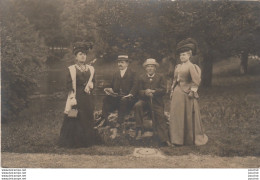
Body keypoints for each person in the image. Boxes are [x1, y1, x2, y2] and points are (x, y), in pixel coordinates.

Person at [59, 42, 101, 148]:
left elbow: (94, 81)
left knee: (87, 116)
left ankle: (86, 141)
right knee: (73, 116)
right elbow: (68, 85)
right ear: (76, 57)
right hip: (76, 97)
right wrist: (72, 97)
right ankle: (71, 142)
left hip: (87, 97)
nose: (83, 56)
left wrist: (91, 84)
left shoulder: (90, 69)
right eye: (80, 54)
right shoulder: (71, 69)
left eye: (84, 54)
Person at [169, 38, 208, 146]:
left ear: (189, 56)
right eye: (181, 55)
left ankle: (187, 139)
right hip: (177, 93)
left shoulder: (191, 66)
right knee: (177, 115)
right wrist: (172, 90)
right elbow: (174, 80)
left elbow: (196, 81)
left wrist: (192, 91)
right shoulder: (178, 66)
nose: (182, 57)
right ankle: (176, 139)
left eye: (184, 55)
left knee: (187, 116)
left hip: (187, 94)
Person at [134, 58, 173, 147]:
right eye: (148, 67)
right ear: (145, 68)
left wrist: (154, 92)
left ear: (155, 68)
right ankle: (139, 130)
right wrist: (145, 92)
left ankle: (164, 139)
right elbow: (138, 91)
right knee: (137, 105)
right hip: (145, 101)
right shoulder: (141, 77)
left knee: (160, 116)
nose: (150, 68)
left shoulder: (160, 77)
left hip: (156, 101)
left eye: (152, 66)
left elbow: (163, 90)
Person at [97, 55, 138, 131]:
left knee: (123, 100)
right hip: (117, 96)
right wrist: (108, 89)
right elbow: (111, 85)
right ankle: (105, 120)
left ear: (127, 63)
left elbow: (135, 85)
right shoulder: (116, 74)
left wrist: (131, 94)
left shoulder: (133, 73)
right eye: (119, 62)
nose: (120, 64)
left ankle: (119, 122)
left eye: (122, 62)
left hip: (129, 98)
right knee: (106, 99)